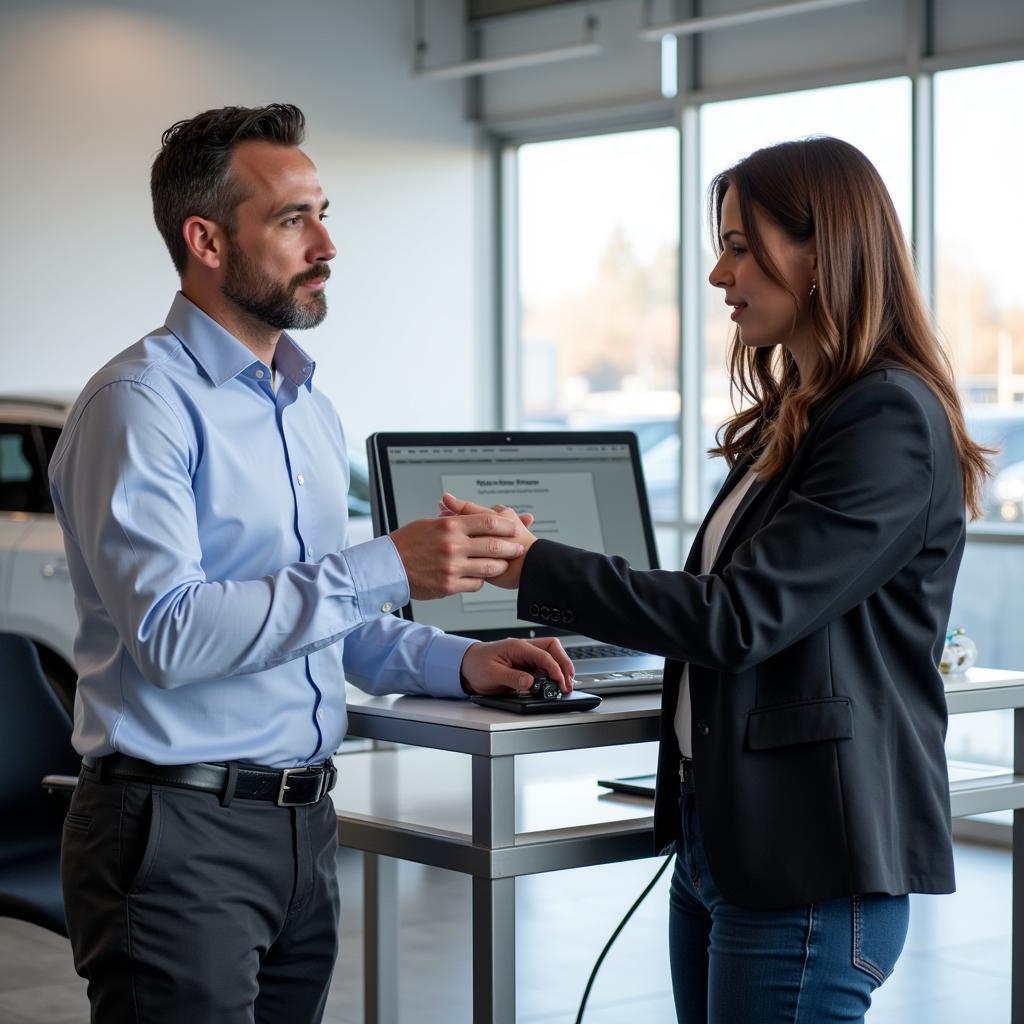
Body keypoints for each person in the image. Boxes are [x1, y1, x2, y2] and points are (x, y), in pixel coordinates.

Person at [442, 136, 993, 1023]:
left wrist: (532, 566)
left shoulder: (887, 418)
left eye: (740, 245)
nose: (717, 273)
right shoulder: (800, 415)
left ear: (822, 253)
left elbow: (738, 618)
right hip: (727, 837)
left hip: (808, 855)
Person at [49, 103, 572, 1024]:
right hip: (177, 831)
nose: (325, 242)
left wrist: (461, 662)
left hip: (301, 826)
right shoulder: (141, 406)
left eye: (324, 213)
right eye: (293, 219)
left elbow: (322, 619)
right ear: (206, 239)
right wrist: (387, 563)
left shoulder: (305, 410)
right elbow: (172, 634)